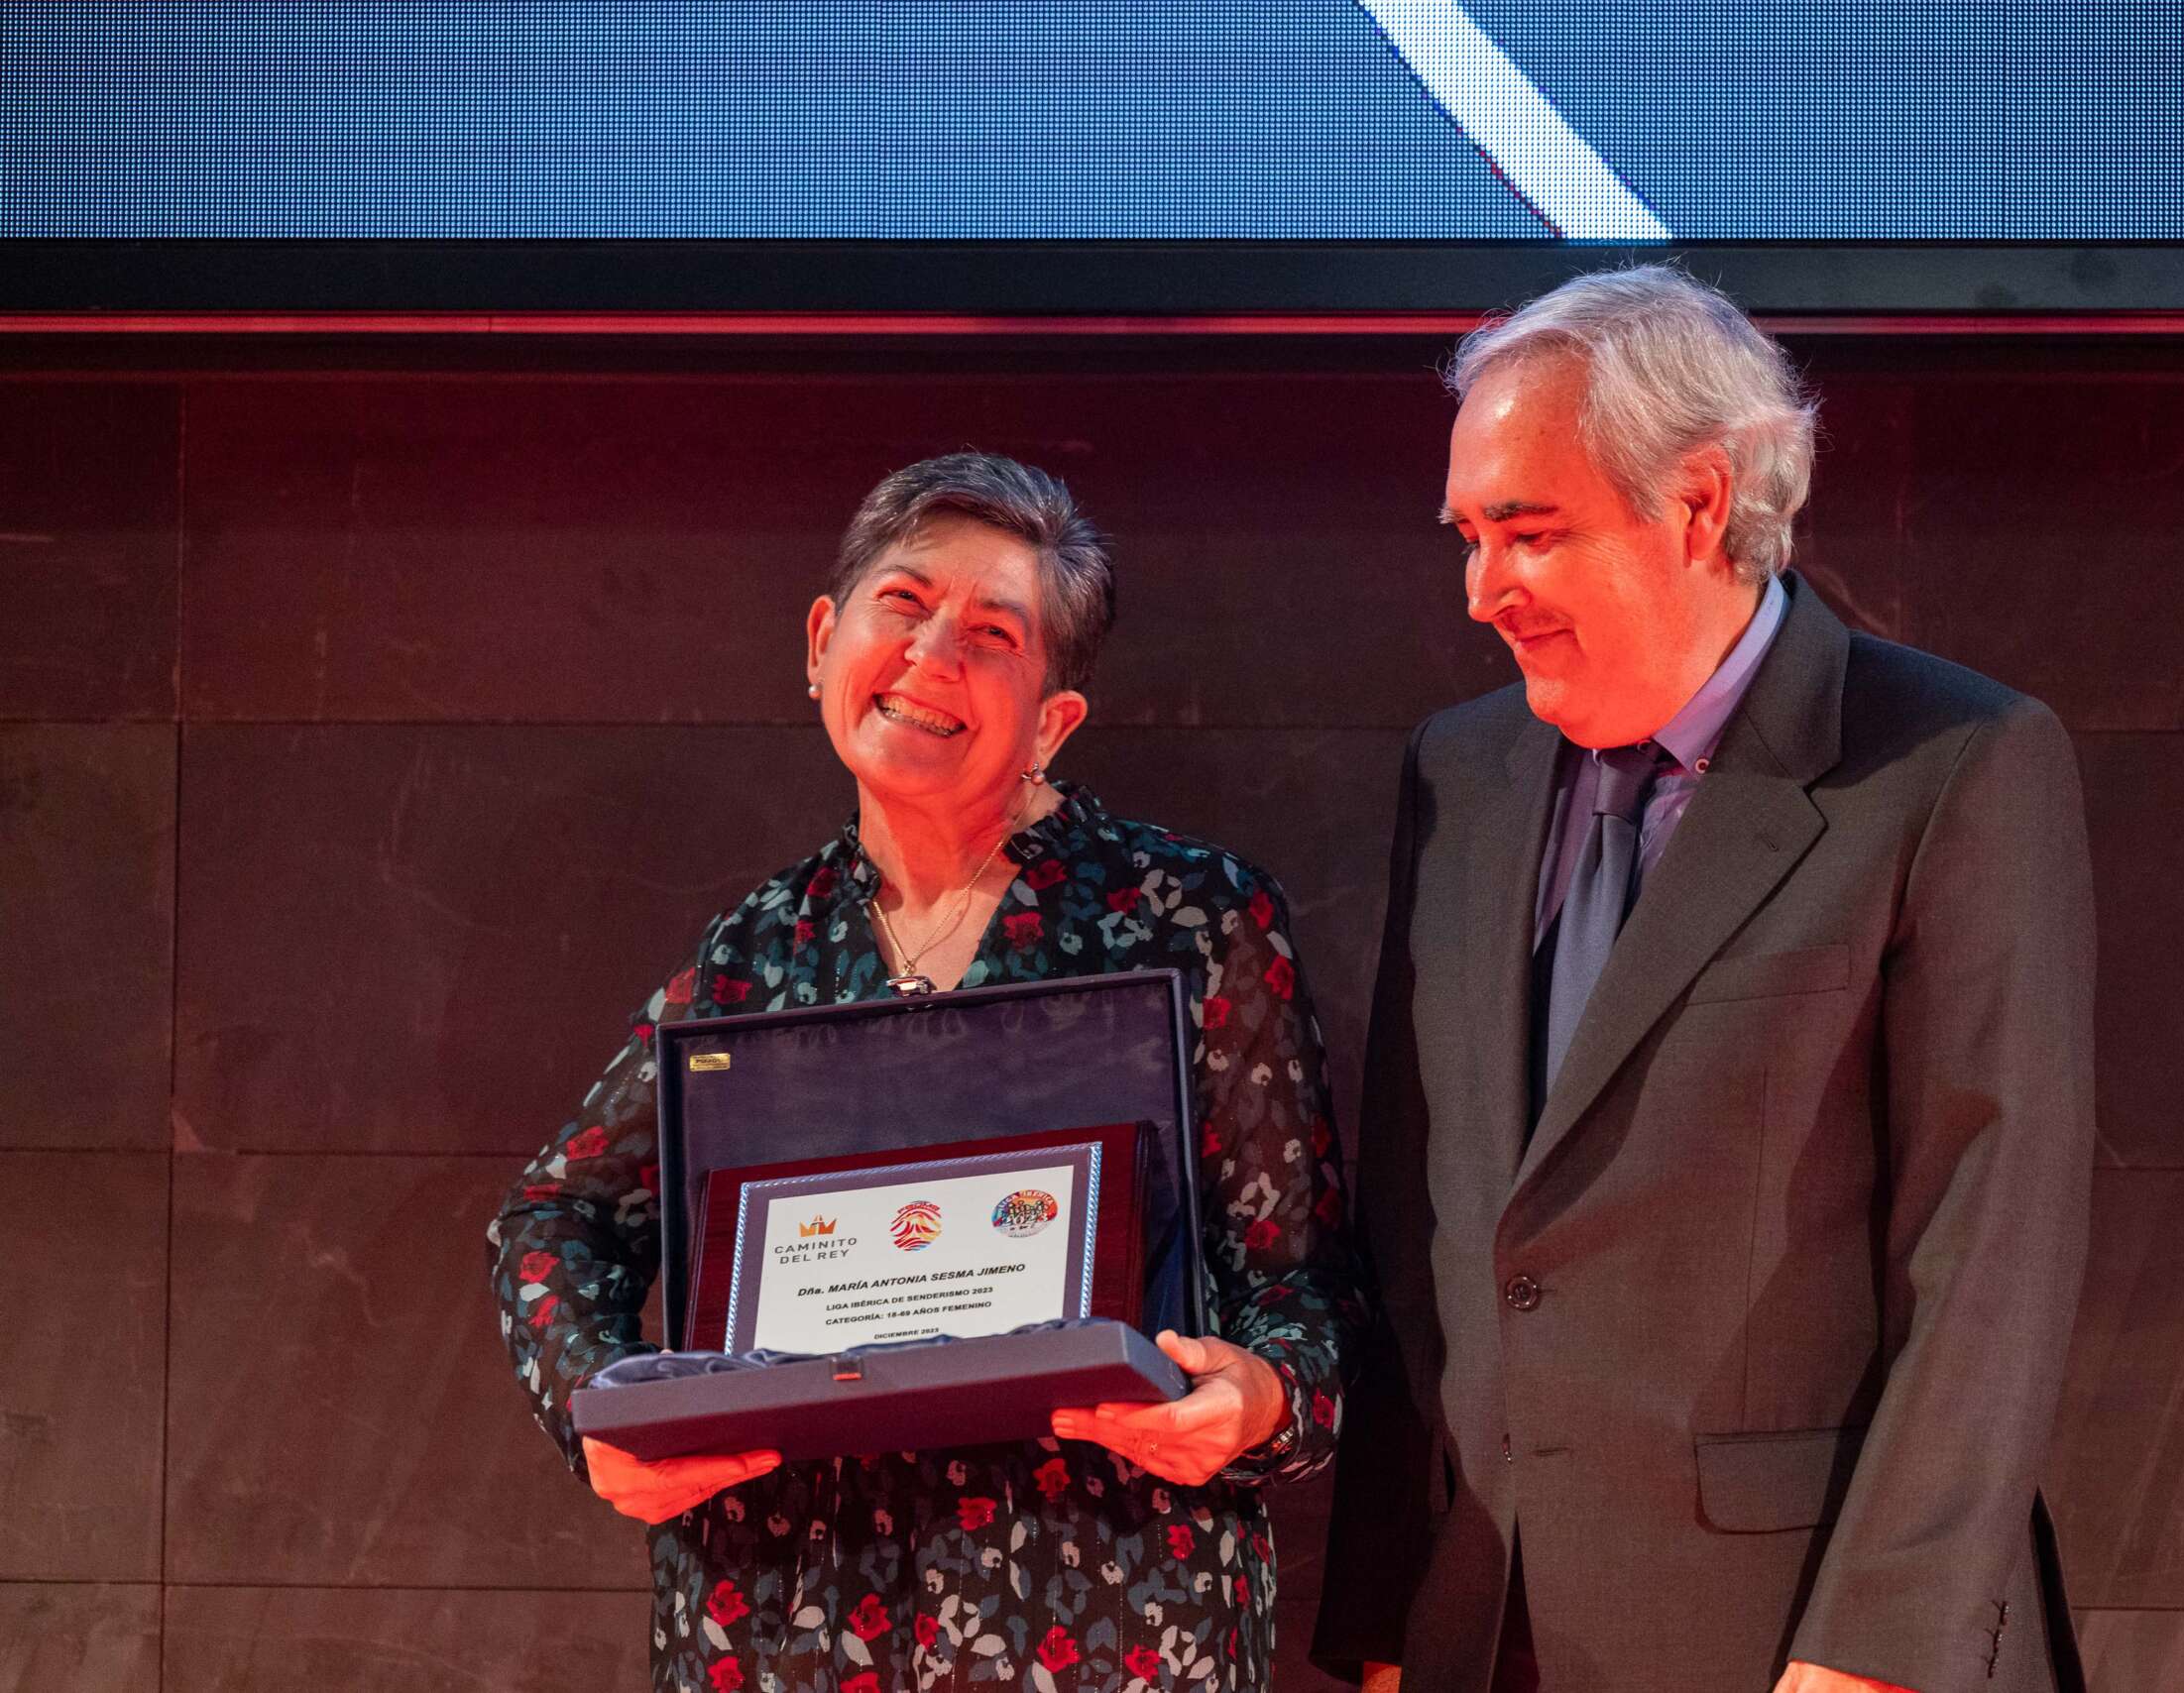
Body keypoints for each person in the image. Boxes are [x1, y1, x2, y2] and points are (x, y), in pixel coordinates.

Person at [1313, 267, 2095, 1693]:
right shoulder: (1457, 772)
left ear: (1695, 502)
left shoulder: (1953, 765)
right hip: (1482, 1628)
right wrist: (1380, 1621)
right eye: (1470, 537)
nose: (1484, 592)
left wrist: (1871, 1658)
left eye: (1529, 533)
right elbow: (1416, 1222)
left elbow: (1987, 1253)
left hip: (1793, 1639)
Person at [489, 452, 1367, 1692]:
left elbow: (1307, 1290)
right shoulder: (757, 952)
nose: (933, 653)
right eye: (903, 603)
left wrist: (1264, 1401)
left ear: (1053, 718)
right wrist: (601, 1413)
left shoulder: (1190, 920)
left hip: (1099, 1613)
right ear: (821, 642)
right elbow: (551, 1214)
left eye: (994, 634)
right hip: (782, 1621)